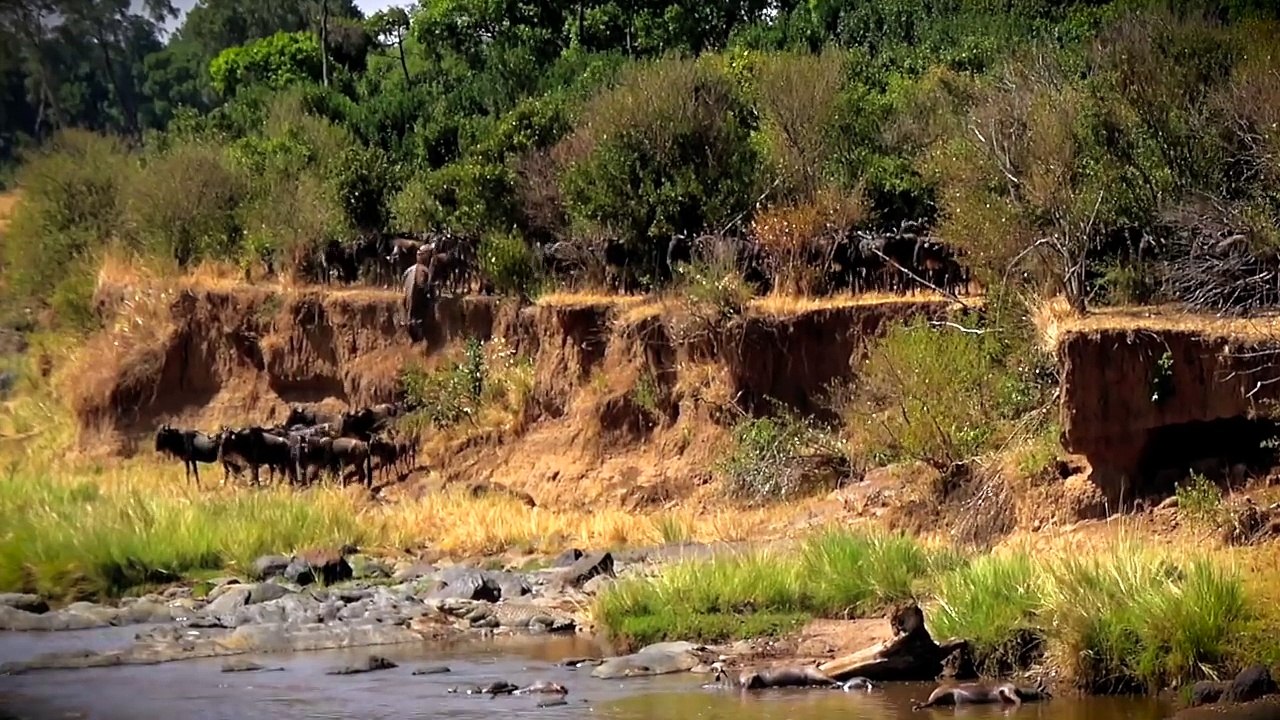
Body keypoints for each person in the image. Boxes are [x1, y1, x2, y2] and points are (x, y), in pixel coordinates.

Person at [401, 244, 433, 342]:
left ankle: (407, 319)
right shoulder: (426, 271)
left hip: (408, 301)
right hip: (419, 302)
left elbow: (403, 287)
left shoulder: (408, 271)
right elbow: (429, 289)